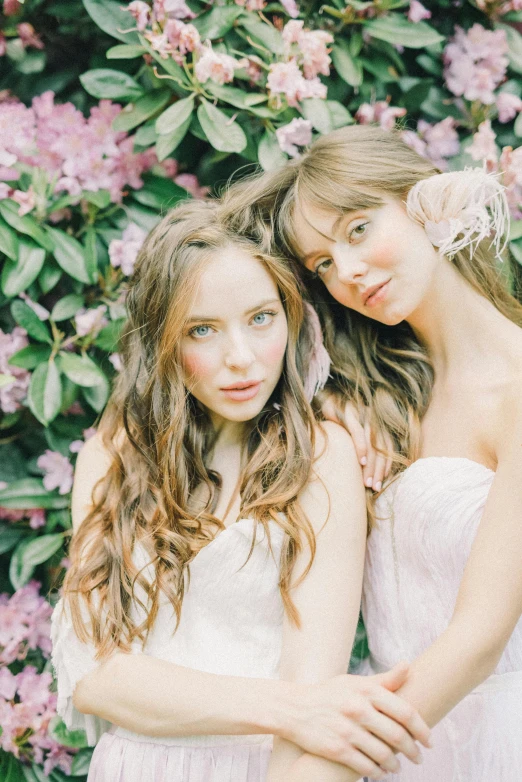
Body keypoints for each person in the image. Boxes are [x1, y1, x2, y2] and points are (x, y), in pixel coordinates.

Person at [50, 199, 431, 782]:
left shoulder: (320, 459)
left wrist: (304, 712)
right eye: (202, 330)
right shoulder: (114, 455)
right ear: (164, 344)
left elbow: (315, 686)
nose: (242, 358)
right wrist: (293, 710)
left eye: (260, 318)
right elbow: (98, 679)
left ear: (290, 316)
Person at [219, 124, 522, 781]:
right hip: (393, 737)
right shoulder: (368, 403)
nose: (348, 273)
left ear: (421, 200)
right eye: (322, 264)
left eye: (357, 229)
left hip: (483, 739)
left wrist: (321, 774)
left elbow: (479, 637)